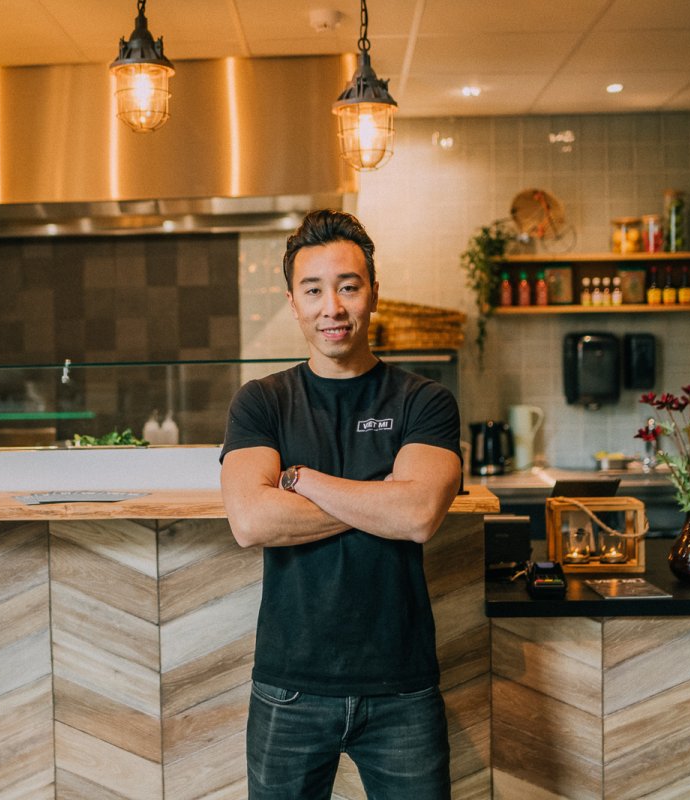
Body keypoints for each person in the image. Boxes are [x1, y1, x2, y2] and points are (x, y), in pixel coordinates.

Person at [220, 209, 463, 799]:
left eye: (348, 287)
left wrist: (300, 479)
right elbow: (250, 521)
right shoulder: (261, 403)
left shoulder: (425, 401)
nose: (332, 307)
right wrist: (383, 497)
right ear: (293, 302)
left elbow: (418, 516)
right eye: (313, 290)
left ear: (373, 293)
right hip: (289, 686)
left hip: (401, 685)